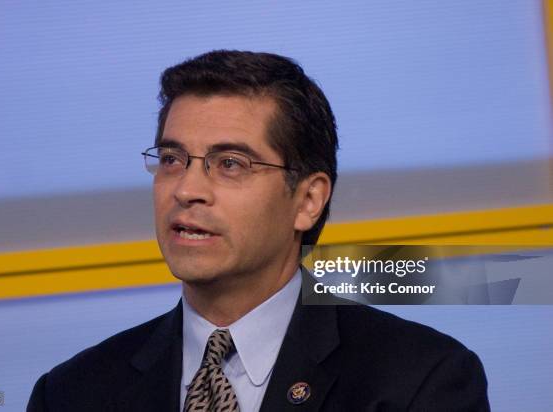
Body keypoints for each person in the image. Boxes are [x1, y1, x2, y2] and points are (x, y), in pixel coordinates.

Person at [27, 50, 490, 411]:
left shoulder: (419, 381)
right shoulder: (70, 393)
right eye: (171, 160)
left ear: (308, 201)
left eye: (230, 164)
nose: (186, 189)